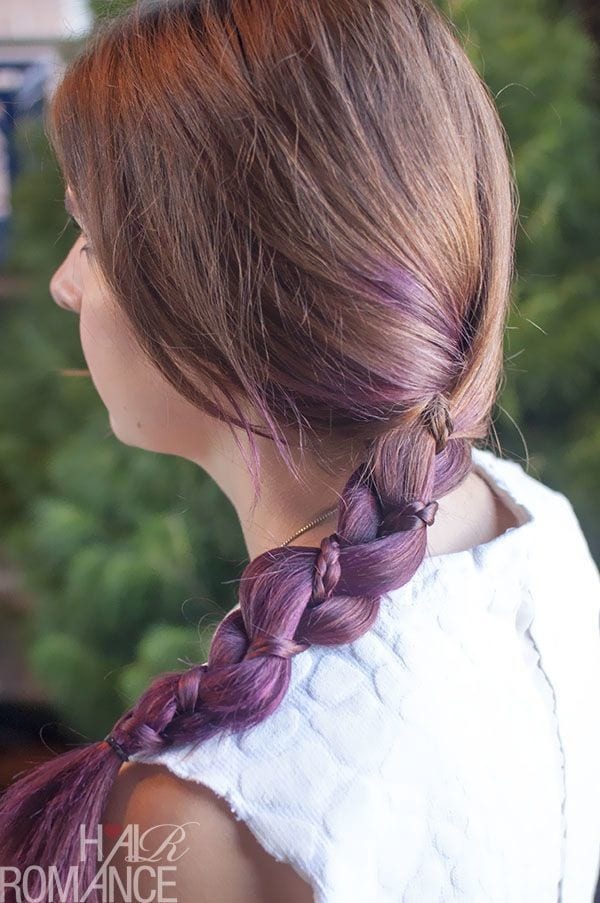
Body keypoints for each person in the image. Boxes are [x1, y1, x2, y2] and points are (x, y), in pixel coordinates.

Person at [1, 1, 599, 901]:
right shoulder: (530, 528)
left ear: (220, 307)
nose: (63, 283)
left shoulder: (200, 816)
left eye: (92, 240)